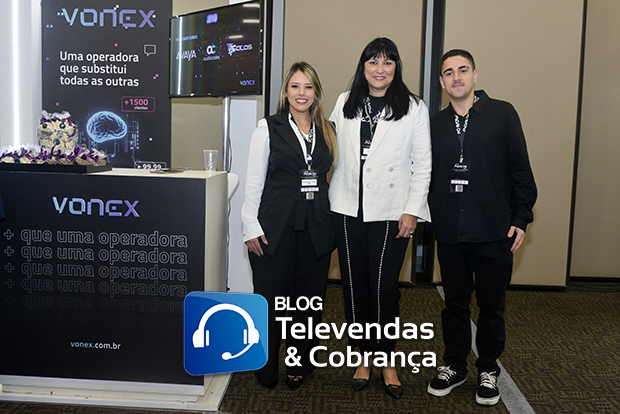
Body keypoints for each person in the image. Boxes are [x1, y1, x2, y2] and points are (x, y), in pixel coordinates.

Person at [426, 49, 537, 406]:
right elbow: (424, 176)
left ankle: (488, 368)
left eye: (463, 70)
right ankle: (455, 365)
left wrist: (521, 218)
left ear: (475, 75)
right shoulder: (434, 124)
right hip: (451, 231)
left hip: (494, 230)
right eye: (449, 72)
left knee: (492, 306)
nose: (456, 77)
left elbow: (520, 169)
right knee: (454, 305)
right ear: (442, 82)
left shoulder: (502, 114)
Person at [329, 37, 432, 399]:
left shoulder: (413, 107)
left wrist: (412, 209)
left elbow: (423, 163)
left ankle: (387, 358)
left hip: (392, 211)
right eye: (373, 61)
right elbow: (327, 149)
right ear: (363, 66)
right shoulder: (345, 102)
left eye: (388, 62)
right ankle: (362, 356)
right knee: (354, 287)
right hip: (347, 209)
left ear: (396, 68)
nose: (380, 69)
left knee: (383, 288)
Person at [241, 62, 337, 390]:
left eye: (308, 87)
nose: (301, 93)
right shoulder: (268, 128)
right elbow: (254, 180)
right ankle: (265, 367)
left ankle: (299, 364)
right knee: (271, 301)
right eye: (295, 86)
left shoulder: (329, 130)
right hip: (273, 228)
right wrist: (250, 225)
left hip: (316, 228)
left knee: (308, 303)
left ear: (316, 93)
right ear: (285, 92)